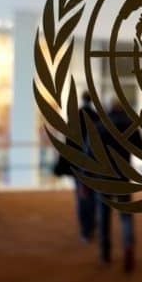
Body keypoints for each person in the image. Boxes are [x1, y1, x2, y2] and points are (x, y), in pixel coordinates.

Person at [95, 100, 142, 273]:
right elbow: (140, 147)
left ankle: (105, 253)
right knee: (126, 216)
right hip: (123, 176)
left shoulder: (101, 125)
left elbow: (90, 151)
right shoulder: (130, 124)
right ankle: (128, 244)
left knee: (104, 215)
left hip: (104, 177)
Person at [56, 91, 98, 243]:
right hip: (94, 166)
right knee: (93, 196)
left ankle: (85, 230)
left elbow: (68, 142)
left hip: (77, 165)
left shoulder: (75, 117)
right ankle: (92, 225)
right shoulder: (97, 117)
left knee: (81, 198)